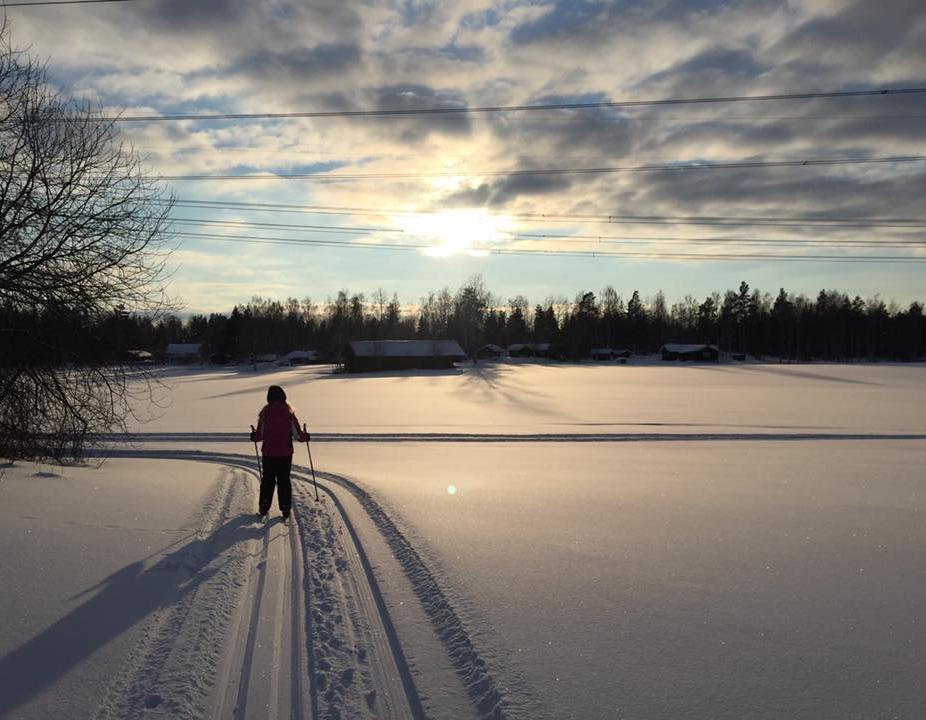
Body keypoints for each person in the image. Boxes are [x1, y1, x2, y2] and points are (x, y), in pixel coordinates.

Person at [249, 385, 308, 519]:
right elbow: (298, 436)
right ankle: (285, 507)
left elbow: (259, 436)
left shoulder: (265, 414)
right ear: (283, 397)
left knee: (268, 480)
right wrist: (306, 436)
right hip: (285, 454)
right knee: (284, 480)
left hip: (268, 453)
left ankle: (264, 506)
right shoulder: (289, 414)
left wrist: (253, 436)